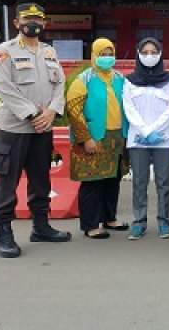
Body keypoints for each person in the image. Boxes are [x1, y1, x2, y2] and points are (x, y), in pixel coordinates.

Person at [0, 3, 71, 258]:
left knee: (40, 178)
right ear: (17, 23)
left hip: (42, 128)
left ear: (44, 23)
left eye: (38, 19)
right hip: (14, 128)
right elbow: (4, 87)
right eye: (27, 19)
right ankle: (4, 233)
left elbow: (60, 84)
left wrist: (52, 112)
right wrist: (34, 113)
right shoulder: (5, 51)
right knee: (7, 181)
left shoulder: (49, 52)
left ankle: (41, 226)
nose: (33, 23)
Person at [67, 38, 130, 238]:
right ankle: (91, 225)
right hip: (94, 138)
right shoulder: (83, 80)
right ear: (94, 55)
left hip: (117, 137)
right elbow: (74, 111)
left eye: (110, 53)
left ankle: (109, 218)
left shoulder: (120, 78)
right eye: (102, 54)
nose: (107, 57)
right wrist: (85, 138)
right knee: (93, 182)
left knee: (113, 179)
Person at [122, 37, 169, 241]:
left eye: (153, 52)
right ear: (138, 54)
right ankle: (139, 222)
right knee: (139, 181)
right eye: (144, 52)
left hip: (163, 138)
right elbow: (129, 108)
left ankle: (164, 221)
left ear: (160, 54)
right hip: (138, 138)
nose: (149, 56)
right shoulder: (129, 81)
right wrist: (146, 132)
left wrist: (155, 130)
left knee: (164, 182)